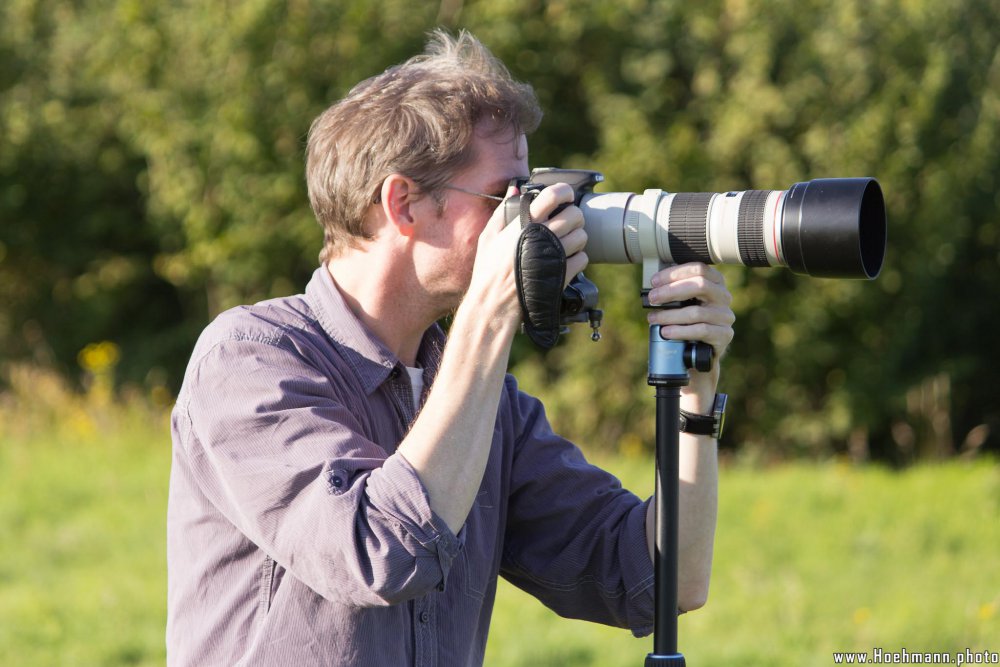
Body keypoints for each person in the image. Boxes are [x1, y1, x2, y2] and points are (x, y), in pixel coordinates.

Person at [166, 29, 735, 666]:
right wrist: (489, 319)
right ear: (404, 202)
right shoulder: (250, 359)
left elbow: (658, 581)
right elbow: (378, 553)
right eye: (505, 197)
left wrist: (694, 405)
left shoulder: (489, 405)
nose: (529, 221)